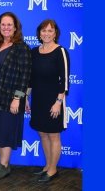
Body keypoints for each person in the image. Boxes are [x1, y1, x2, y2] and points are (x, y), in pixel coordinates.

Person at [0, 12, 31, 181]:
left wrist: (18, 98)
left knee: (6, 130)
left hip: (11, 98)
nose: (6, 27)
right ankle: (1, 163)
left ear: (15, 27)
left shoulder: (21, 48)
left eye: (9, 24)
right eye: (3, 24)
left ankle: (4, 165)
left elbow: (25, 76)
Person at [25, 19, 70, 183]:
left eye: (50, 31)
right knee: (43, 134)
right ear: (39, 33)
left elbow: (64, 80)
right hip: (38, 100)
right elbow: (30, 79)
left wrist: (58, 102)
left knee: (53, 135)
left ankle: (53, 170)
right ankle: (47, 166)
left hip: (54, 101)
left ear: (55, 33)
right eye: (44, 30)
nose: (46, 33)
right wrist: (26, 99)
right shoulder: (34, 52)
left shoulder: (61, 52)